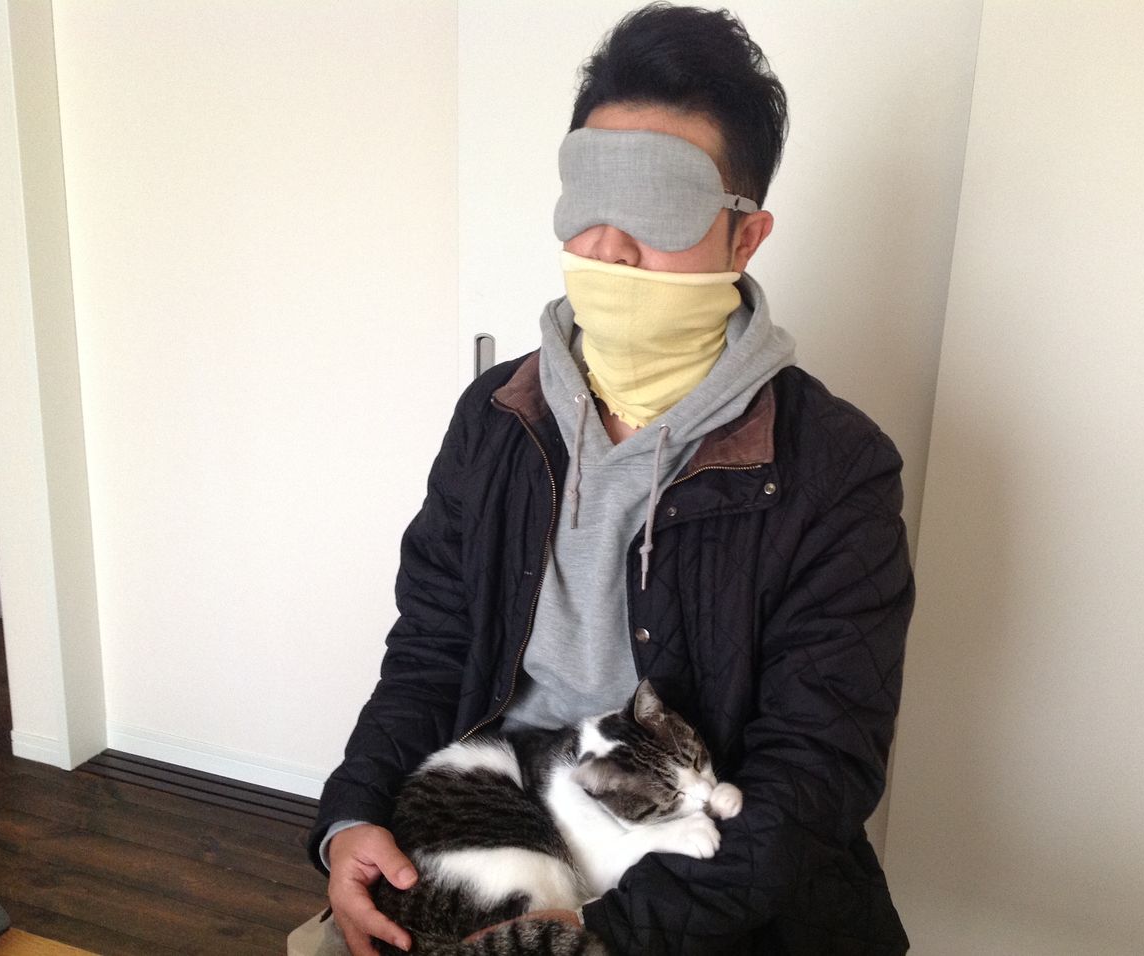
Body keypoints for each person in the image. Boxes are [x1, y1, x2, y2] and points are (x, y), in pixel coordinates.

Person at [308, 5, 914, 954]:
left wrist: (610, 937)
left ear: (746, 238)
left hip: (701, 886)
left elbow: (814, 770)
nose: (610, 248)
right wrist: (351, 816)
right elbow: (431, 647)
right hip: (496, 829)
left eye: (658, 208)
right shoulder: (496, 419)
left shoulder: (836, 471)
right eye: (589, 203)